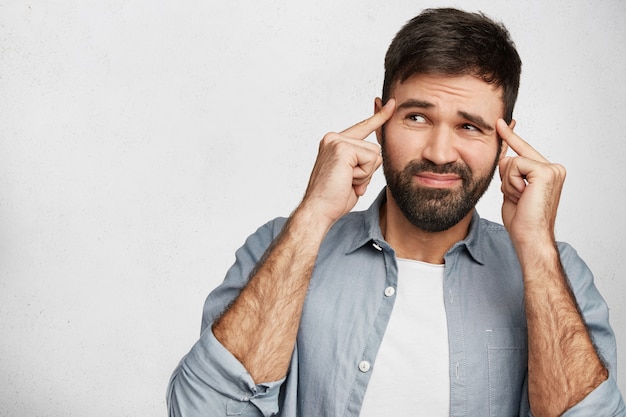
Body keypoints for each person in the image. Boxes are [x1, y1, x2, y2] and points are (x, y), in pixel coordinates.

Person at [167, 7, 625, 417]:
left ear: (504, 141)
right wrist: (311, 216)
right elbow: (201, 408)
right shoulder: (281, 245)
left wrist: (536, 249)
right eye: (417, 118)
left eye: (470, 126)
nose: (440, 152)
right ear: (379, 121)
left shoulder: (558, 273)